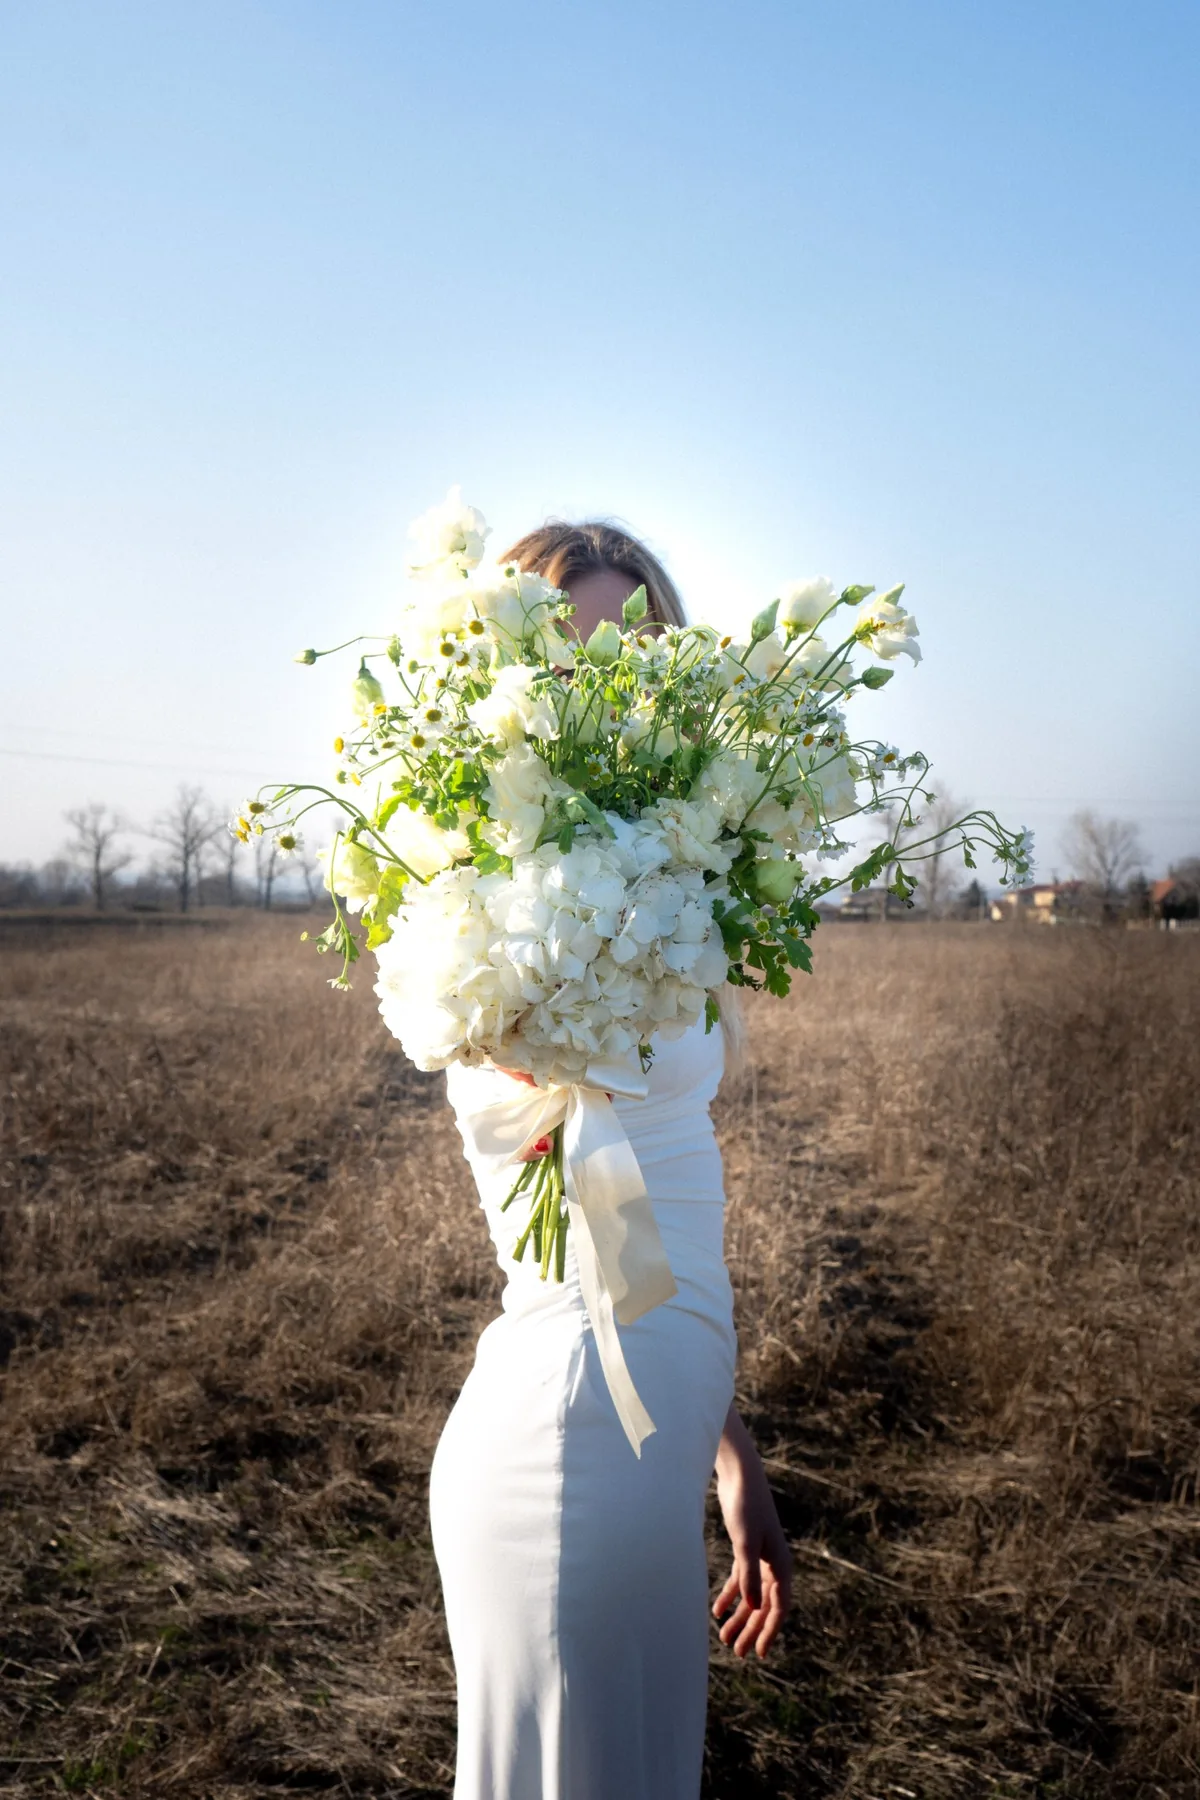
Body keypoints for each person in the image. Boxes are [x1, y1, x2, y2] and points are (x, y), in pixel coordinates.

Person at [429, 519, 793, 1800]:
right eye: (576, 656)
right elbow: (597, 1243)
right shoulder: (497, 914)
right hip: (572, 1435)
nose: (614, 685)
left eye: (641, 654)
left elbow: (635, 1241)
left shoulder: (664, 893)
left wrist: (726, 1450)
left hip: (650, 1414)